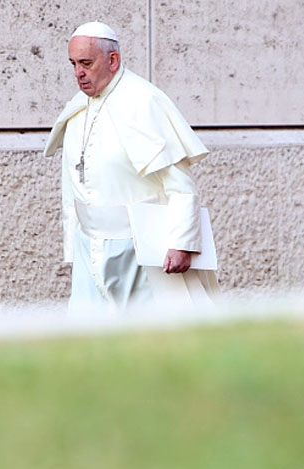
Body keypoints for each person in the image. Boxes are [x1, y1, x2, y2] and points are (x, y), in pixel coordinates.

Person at [44, 21, 219, 313]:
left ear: (113, 61)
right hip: (90, 247)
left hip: (137, 250)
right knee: (89, 335)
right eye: (73, 64)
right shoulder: (78, 106)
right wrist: (72, 245)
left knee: (148, 335)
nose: (79, 73)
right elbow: (72, 185)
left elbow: (180, 184)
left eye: (86, 63)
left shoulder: (143, 101)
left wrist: (181, 242)